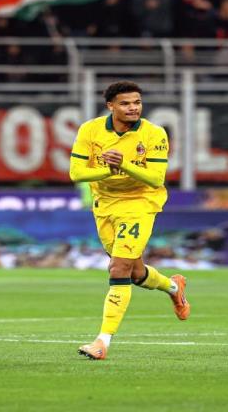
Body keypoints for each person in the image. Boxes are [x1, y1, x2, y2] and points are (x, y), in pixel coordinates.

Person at [69, 81, 191, 360]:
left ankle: (102, 342)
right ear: (110, 106)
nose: (133, 107)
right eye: (125, 103)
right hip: (105, 205)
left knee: (118, 268)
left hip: (140, 203)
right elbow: (76, 173)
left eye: (137, 102)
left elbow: (156, 178)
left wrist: (123, 163)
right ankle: (174, 287)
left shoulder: (153, 133)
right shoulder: (90, 130)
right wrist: (108, 170)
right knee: (134, 273)